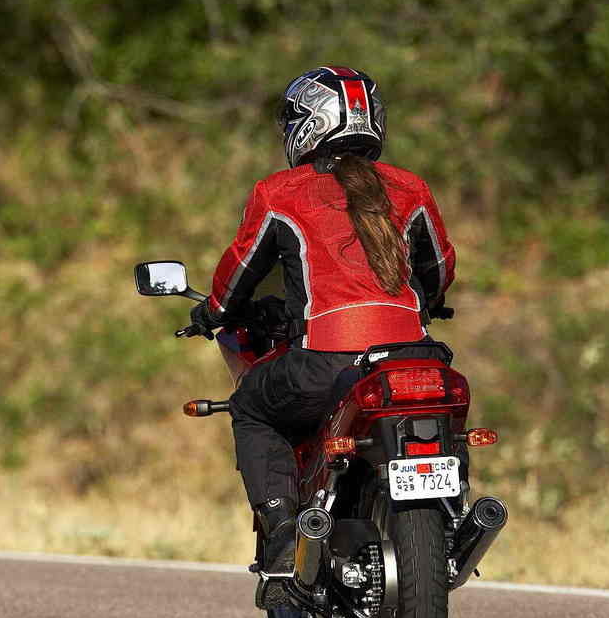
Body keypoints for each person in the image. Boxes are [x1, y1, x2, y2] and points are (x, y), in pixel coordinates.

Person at [189, 66, 455, 575]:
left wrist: (212, 312)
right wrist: (428, 300)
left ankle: (285, 530)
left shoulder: (280, 193)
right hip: (414, 358)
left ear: (308, 123)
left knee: (251, 406)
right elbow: (439, 269)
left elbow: (239, 274)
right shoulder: (411, 188)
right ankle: (457, 513)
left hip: (327, 363)